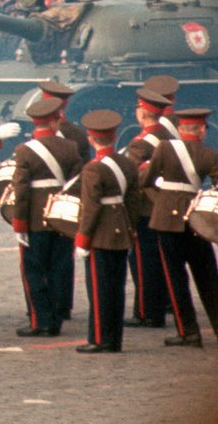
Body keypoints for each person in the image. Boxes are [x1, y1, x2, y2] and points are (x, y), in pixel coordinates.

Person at [140, 104, 218, 347]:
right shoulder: (209, 155)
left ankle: (188, 331)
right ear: (202, 130)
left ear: (181, 128)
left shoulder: (164, 148)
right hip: (197, 221)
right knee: (208, 277)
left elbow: (147, 181)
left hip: (166, 220)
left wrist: (162, 202)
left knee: (175, 279)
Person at [9, 93, 80, 337]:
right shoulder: (70, 147)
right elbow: (76, 182)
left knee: (34, 270)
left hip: (36, 218)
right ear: (55, 121)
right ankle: (58, 317)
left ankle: (41, 320)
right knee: (60, 268)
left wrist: (19, 222)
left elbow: (21, 188)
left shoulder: (25, 150)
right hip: (62, 215)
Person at [74, 107, 139, 353]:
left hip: (100, 233)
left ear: (91, 139)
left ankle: (100, 338)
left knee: (99, 290)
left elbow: (91, 207)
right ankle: (115, 339)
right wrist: (130, 228)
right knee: (117, 287)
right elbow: (133, 201)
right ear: (115, 136)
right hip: (121, 229)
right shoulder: (126, 163)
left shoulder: (93, 169)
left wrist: (82, 238)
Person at [126, 81, 178, 328]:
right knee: (158, 259)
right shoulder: (166, 135)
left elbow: (130, 176)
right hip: (163, 206)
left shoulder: (141, 143)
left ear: (143, 112)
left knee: (143, 261)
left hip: (144, 208)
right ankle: (159, 306)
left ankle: (147, 311)